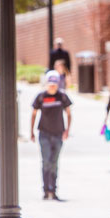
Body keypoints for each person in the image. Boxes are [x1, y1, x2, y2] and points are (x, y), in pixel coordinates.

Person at [31, 70, 73, 201]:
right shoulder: (41, 97)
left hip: (58, 133)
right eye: (50, 84)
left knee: (54, 162)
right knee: (46, 162)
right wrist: (31, 131)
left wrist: (67, 130)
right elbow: (33, 114)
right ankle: (45, 189)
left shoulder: (62, 97)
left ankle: (53, 190)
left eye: (54, 84)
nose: (52, 86)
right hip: (44, 133)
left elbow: (69, 113)